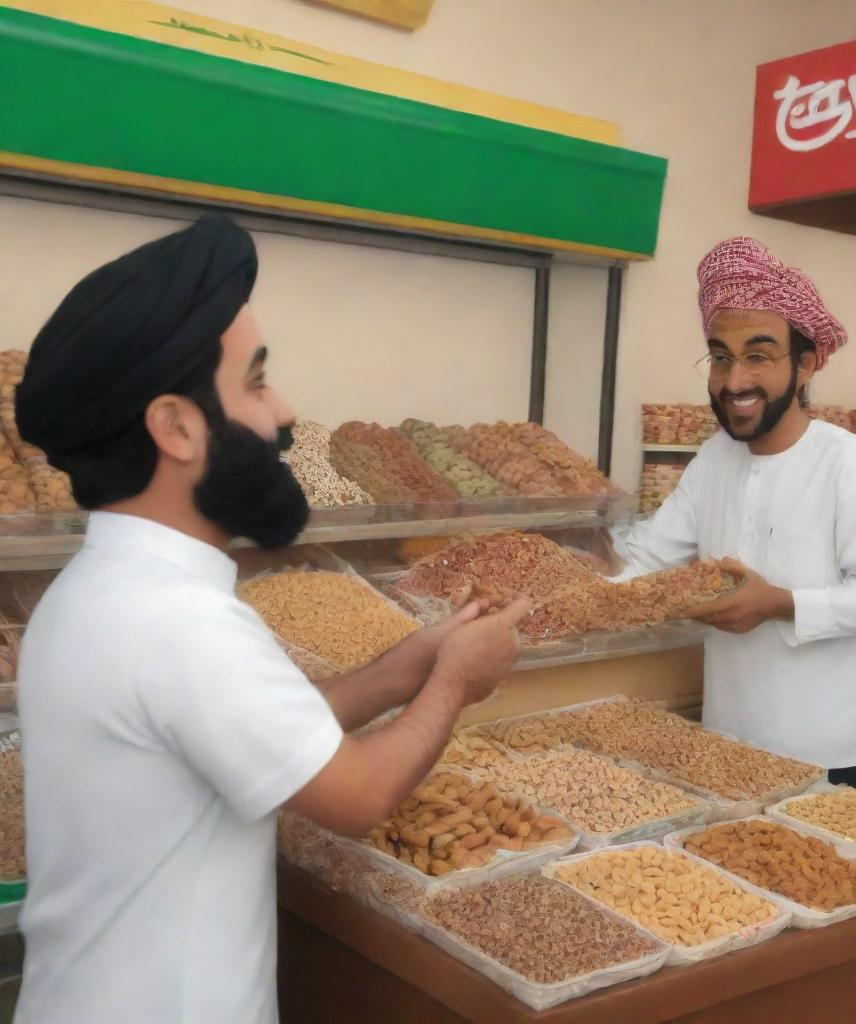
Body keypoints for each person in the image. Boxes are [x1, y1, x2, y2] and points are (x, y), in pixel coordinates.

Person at [11, 215, 528, 1024]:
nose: (283, 411)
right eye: (255, 382)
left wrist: (410, 664)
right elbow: (357, 796)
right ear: (176, 426)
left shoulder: (95, 589)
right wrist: (458, 681)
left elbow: (256, 730)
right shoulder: (180, 621)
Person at [617, 236, 856, 800]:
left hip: (837, 755)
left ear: (806, 363)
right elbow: (648, 559)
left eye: (758, 355)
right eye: (721, 356)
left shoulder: (849, 463)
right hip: (733, 746)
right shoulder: (714, 458)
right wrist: (567, 585)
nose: (733, 381)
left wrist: (778, 603)